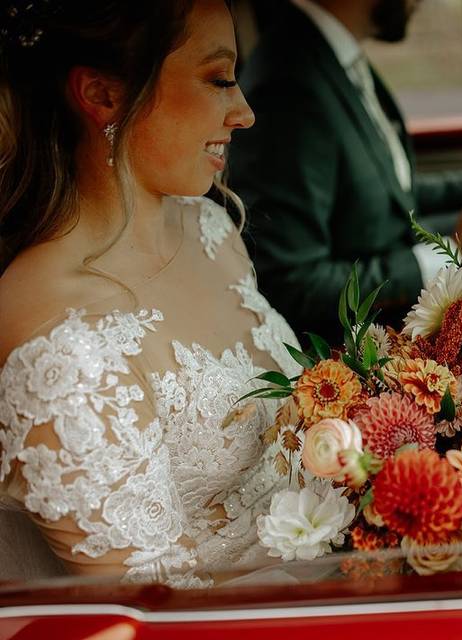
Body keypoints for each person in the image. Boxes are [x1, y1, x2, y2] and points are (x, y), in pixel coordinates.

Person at [0, 0, 300, 586]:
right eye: (218, 79)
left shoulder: (211, 230)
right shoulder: (59, 333)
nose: (244, 113)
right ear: (103, 95)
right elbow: (160, 607)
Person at [230, 0, 462, 337]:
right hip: (371, 319)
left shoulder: (329, 53)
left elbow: (392, 188)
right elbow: (294, 284)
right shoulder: (288, 85)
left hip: (389, 240)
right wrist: (455, 250)